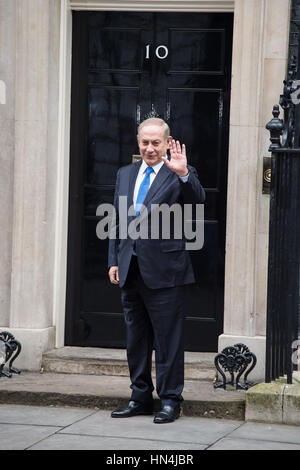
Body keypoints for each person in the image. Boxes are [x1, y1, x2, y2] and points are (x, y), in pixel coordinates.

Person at [108, 117, 205, 423]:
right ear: (138, 142)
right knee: (136, 340)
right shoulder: (125, 174)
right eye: (144, 142)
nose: (150, 148)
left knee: (168, 340)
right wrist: (114, 260)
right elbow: (116, 221)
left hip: (166, 270)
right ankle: (139, 397)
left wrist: (185, 173)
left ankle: (170, 400)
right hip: (130, 267)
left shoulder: (177, 171)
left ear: (167, 142)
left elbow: (197, 201)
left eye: (156, 143)